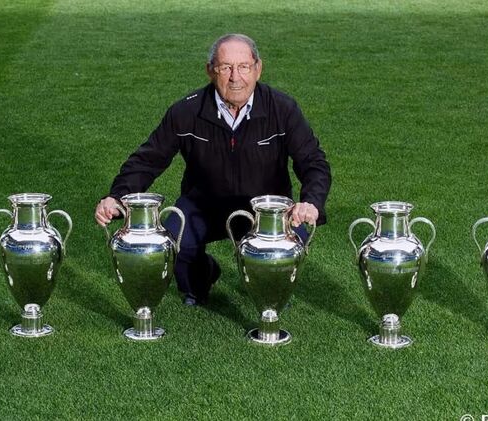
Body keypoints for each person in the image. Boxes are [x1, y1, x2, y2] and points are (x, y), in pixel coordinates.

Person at [95, 33, 331, 306]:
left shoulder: (283, 109)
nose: (235, 77)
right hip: (203, 205)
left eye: (244, 67)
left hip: (266, 210)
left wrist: (311, 202)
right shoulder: (186, 111)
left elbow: (313, 162)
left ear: (258, 69)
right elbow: (147, 160)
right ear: (210, 70)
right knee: (174, 242)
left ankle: (270, 293)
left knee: (283, 254)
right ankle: (201, 278)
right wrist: (117, 196)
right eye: (225, 67)